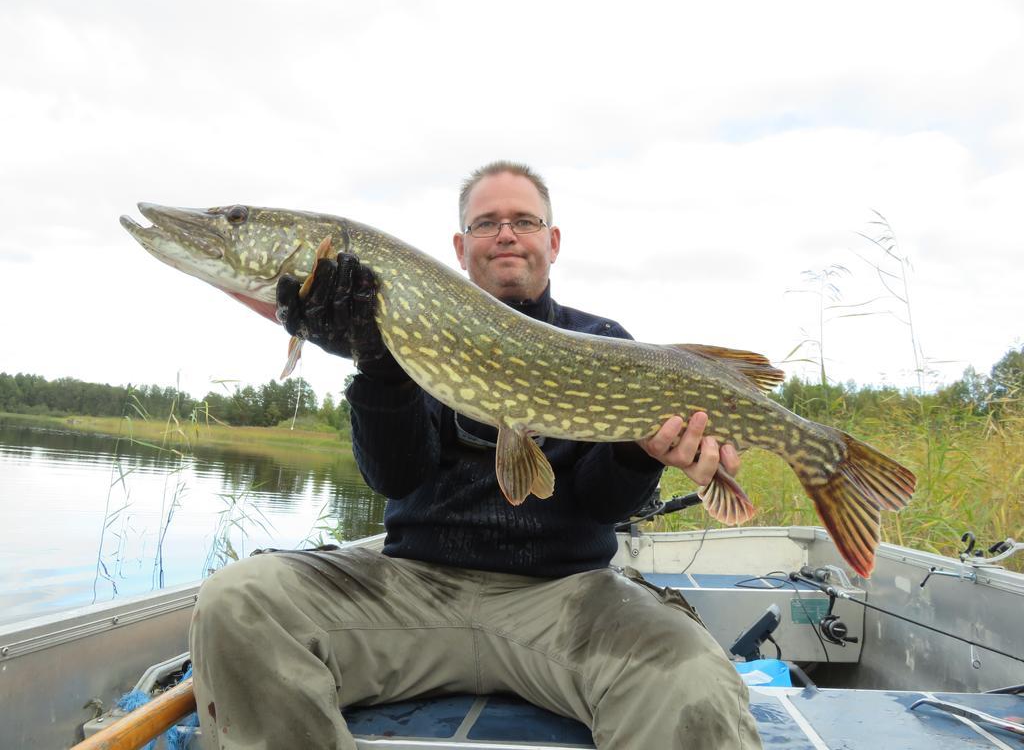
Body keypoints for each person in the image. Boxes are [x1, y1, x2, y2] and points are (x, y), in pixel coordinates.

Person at [189, 161, 762, 749]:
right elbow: (396, 476)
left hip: (564, 602)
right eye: (486, 224)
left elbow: (598, 502)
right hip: (410, 592)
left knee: (691, 678)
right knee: (237, 601)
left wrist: (643, 458)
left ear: (552, 241)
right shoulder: (407, 329)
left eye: (524, 220)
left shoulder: (607, 341)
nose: (506, 234)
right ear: (461, 248)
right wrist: (380, 365)